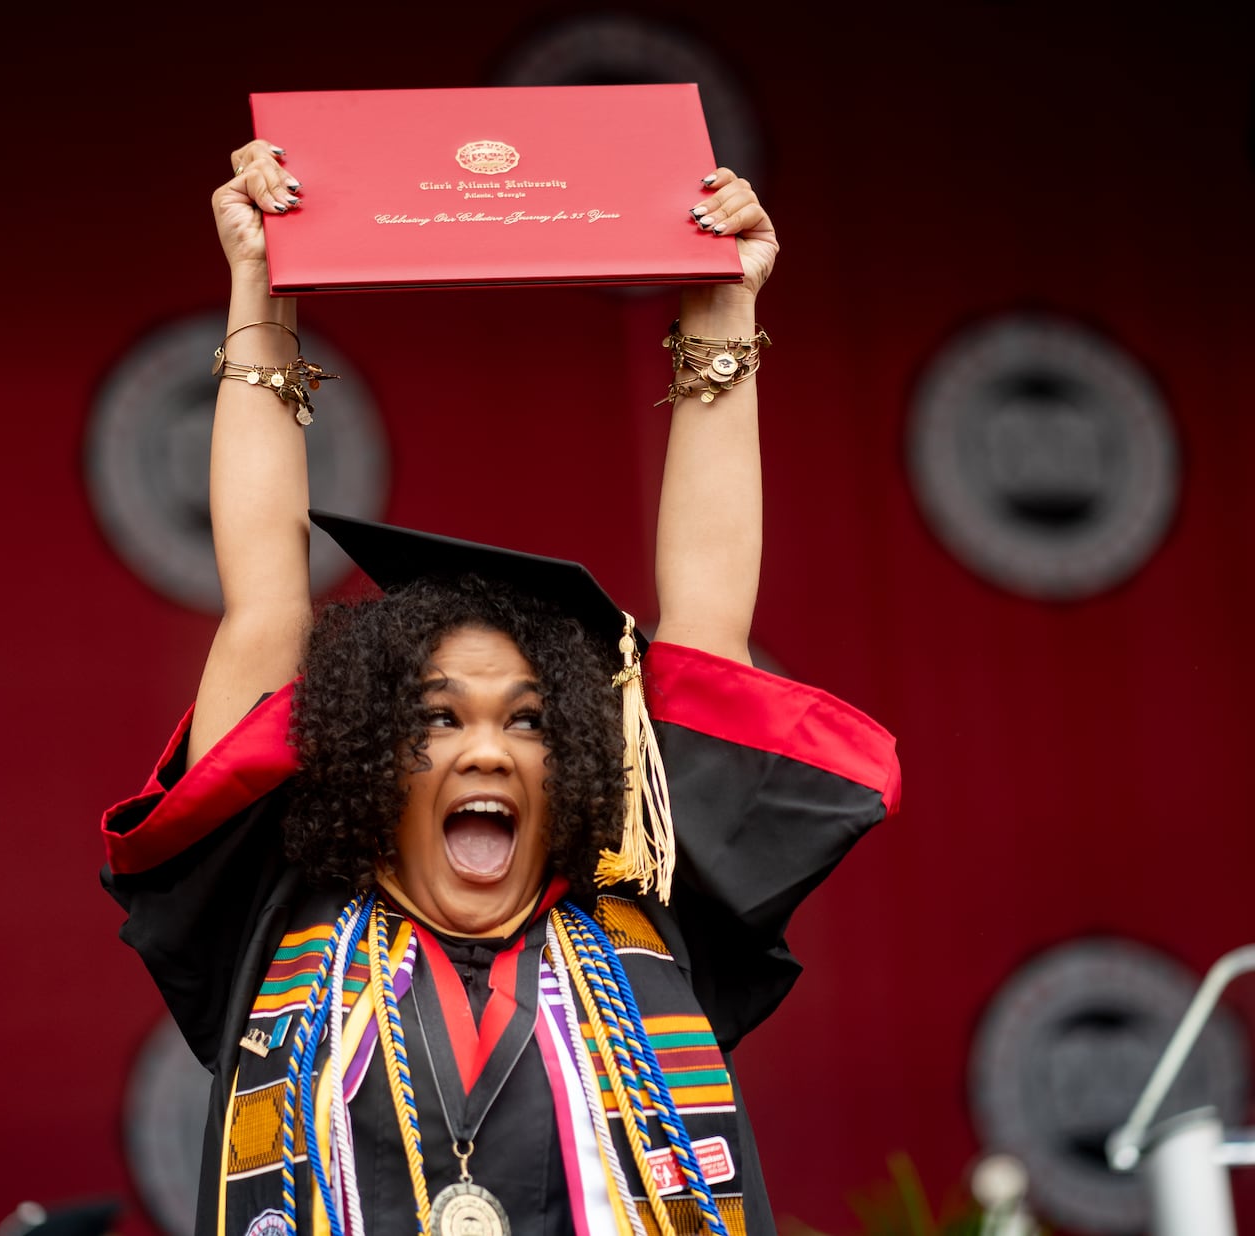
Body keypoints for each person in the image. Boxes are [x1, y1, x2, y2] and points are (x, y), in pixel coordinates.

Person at [100, 139, 901, 1236]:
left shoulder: (644, 911)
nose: (486, 751)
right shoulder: (275, 911)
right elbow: (266, 609)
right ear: (369, 755)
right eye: (436, 717)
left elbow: (709, 618)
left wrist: (722, 312)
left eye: (527, 720)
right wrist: (258, 289)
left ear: (570, 757)